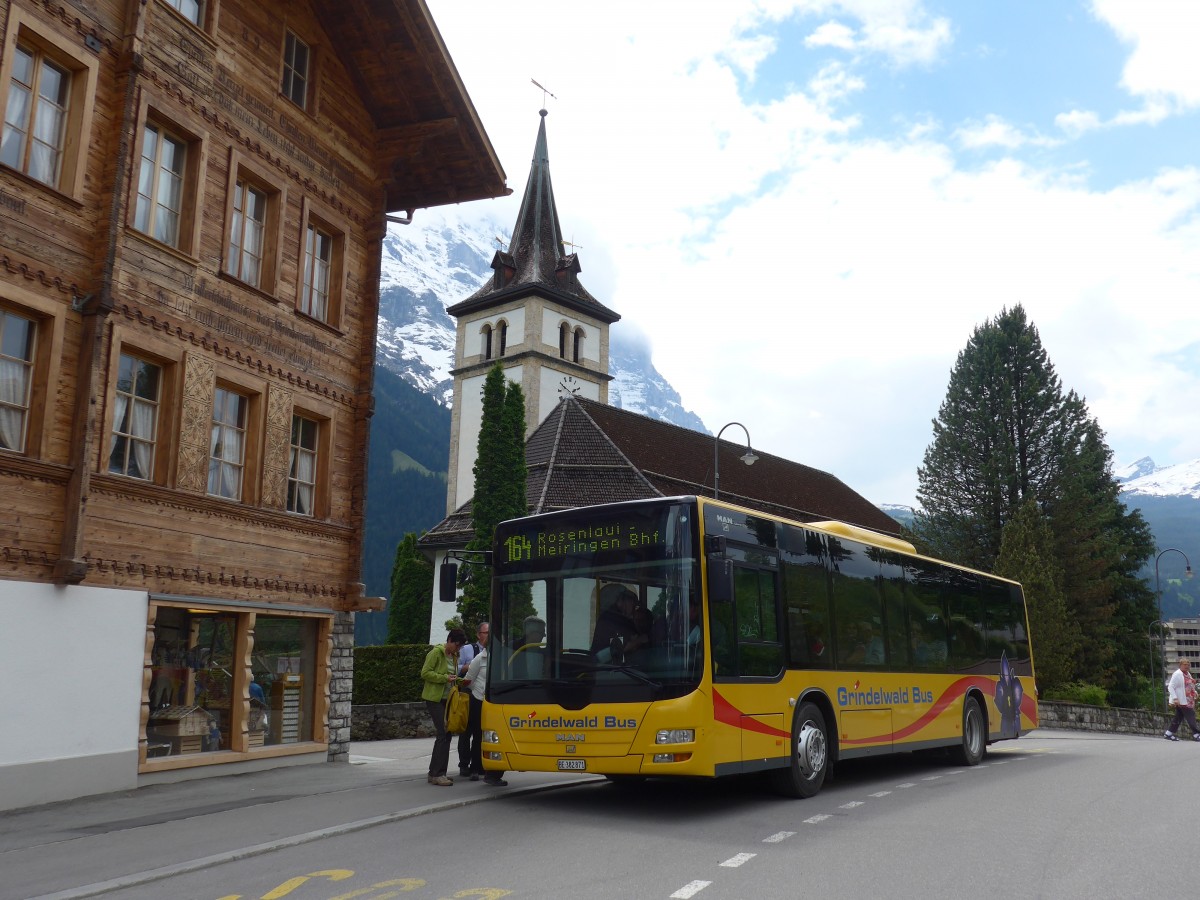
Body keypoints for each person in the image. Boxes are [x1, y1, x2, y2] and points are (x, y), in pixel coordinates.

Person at [460, 621, 508, 786]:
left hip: (493, 702)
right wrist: (478, 691)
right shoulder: (479, 659)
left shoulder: (501, 660)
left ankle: (485, 767)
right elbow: (468, 681)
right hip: (478, 700)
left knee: (492, 736)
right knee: (477, 735)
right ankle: (475, 769)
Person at [421, 628, 466, 785]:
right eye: (457, 645)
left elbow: (451, 677)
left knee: (446, 734)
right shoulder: (436, 653)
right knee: (443, 733)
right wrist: (444, 678)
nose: (458, 649)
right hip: (434, 699)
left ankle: (437, 772)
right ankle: (437, 774)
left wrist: (458, 681)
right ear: (450, 640)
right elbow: (425, 673)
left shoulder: (453, 656)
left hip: (447, 699)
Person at [591, 585, 639, 660]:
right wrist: (639, 640)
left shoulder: (623, 619)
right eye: (631, 602)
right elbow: (619, 648)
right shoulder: (611, 618)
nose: (633, 608)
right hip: (603, 665)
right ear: (620, 602)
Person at [1164, 656, 1200, 741]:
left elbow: (1189, 685)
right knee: (1191, 716)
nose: (1187, 666)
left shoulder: (1188, 674)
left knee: (1178, 717)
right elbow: (1170, 687)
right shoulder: (1177, 674)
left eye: (1188, 665)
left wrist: (1194, 692)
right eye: (1185, 665)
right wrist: (1175, 699)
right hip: (1182, 701)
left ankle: (1168, 733)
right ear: (1180, 665)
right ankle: (1196, 734)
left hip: (1188, 699)